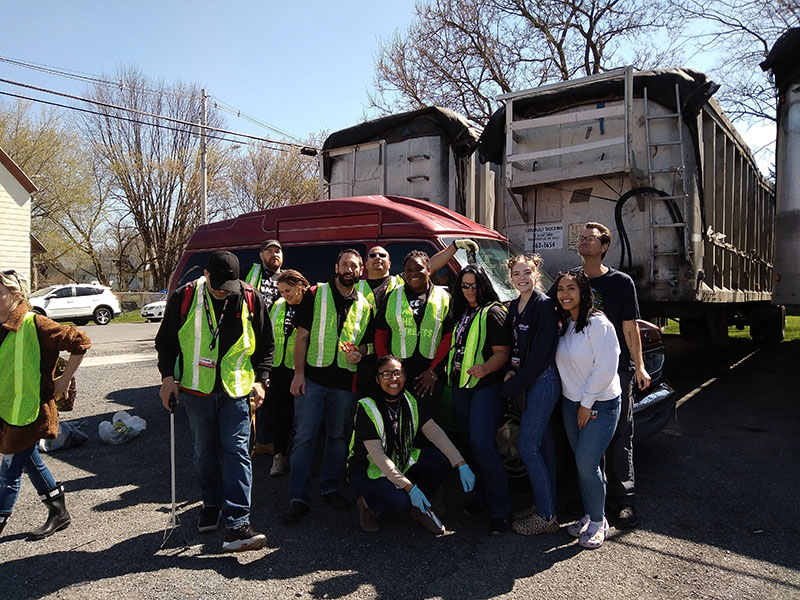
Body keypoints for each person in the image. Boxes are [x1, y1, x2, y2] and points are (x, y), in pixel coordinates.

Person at [156, 251, 274, 553]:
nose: (224, 291)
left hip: (236, 390)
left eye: (229, 286)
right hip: (197, 392)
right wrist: (168, 378)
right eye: (219, 285)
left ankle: (238, 524)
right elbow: (166, 342)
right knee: (204, 453)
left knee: (237, 453)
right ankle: (211, 504)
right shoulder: (184, 297)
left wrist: (262, 381)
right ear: (206, 275)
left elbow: (266, 344)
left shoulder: (250, 297)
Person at [0, 270, 90, 540]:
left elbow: (80, 342)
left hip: (30, 412)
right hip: (8, 411)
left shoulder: (35, 323)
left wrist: (64, 381)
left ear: (16, 296)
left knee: (8, 472)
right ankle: (58, 512)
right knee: (30, 461)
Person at [284, 249, 373, 524]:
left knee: (338, 438)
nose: (349, 269)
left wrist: (360, 351)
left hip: (345, 384)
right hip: (313, 380)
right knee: (304, 438)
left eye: (354, 266)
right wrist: (298, 374)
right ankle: (298, 498)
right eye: (344, 264)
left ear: (361, 271)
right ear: (336, 267)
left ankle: (330, 487)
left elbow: (368, 343)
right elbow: (302, 336)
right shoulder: (315, 294)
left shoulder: (365, 304)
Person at [348, 355, 476, 534]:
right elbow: (378, 457)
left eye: (398, 373)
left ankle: (420, 507)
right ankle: (368, 505)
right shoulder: (367, 407)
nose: (393, 379)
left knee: (439, 460)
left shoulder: (410, 400)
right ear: (377, 379)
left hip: (400, 460)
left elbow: (434, 431)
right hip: (367, 469)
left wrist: (461, 463)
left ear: (405, 377)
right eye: (386, 374)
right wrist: (410, 488)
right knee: (400, 501)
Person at [576, 222, 650, 528]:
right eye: (581, 238)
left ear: (604, 247)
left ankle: (624, 499)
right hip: (581, 373)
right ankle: (593, 497)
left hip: (615, 371)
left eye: (591, 239)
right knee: (587, 437)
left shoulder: (621, 282)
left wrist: (640, 365)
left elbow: (630, 327)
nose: (584, 242)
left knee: (620, 435)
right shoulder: (573, 280)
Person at [551, 269, 621, 549]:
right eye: (560, 289)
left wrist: (586, 403)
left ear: (583, 292)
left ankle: (598, 521)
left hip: (599, 404)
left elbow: (606, 367)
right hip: (572, 403)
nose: (565, 294)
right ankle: (589, 514)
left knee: (586, 463)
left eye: (571, 288)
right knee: (583, 465)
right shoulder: (566, 324)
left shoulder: (599, 324)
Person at [447, 265, 511, 535]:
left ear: (484, 285)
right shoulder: (463, 312)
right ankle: (482, 498)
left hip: (486, 387)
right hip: (463, 386)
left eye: (475, 285)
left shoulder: (494, 311)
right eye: (465, 286)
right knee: (470, 445)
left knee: (483, 445)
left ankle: (501, 511)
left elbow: (502, 352)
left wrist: (485, 368)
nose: (470, 290)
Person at [501, 255, 561, 537]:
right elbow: (517, 349)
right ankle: (545, 504)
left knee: (527, 447)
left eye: (528, 272)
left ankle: (547, 516)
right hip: (524, 380)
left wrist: (511, 387)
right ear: (510, 278)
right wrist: (513, 373)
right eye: (516, 273)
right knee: (543, 445)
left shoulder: (545, 305)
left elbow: (538, 357)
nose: (522, 277)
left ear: (537, 275)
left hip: (542, 380)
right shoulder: (513, 306)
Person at [374, 251, 452, 413]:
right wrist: (388, 370)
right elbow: (380, 334)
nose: (413, 273)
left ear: (429, 269)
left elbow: (448, 337)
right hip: (399, 373)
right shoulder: (391, 297)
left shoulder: (444, 297)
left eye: (419, 268)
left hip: (429, 375)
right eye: (408, 270)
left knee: (427, 423)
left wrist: (434, 372)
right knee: (401, 422)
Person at [267, 269, 309, 477]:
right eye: (281, 291)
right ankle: (279, 456)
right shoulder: (277, 306)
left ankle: (301, 460)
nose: (285, 295)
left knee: (301, 418)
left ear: (300, 285)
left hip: (301, 370)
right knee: (279, 416)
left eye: (288, 290)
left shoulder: (312, 305)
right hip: (278, 370)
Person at [245, 239, 284, 456]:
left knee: (270, 395)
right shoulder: (251, 272)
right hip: (251, 343)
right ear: (261, 255)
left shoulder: (287, 277)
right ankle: (256, 441)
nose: (274, 255)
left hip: (277, 345)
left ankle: (267, 440)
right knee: (250, 393)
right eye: (269, 251)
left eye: (277, 251)